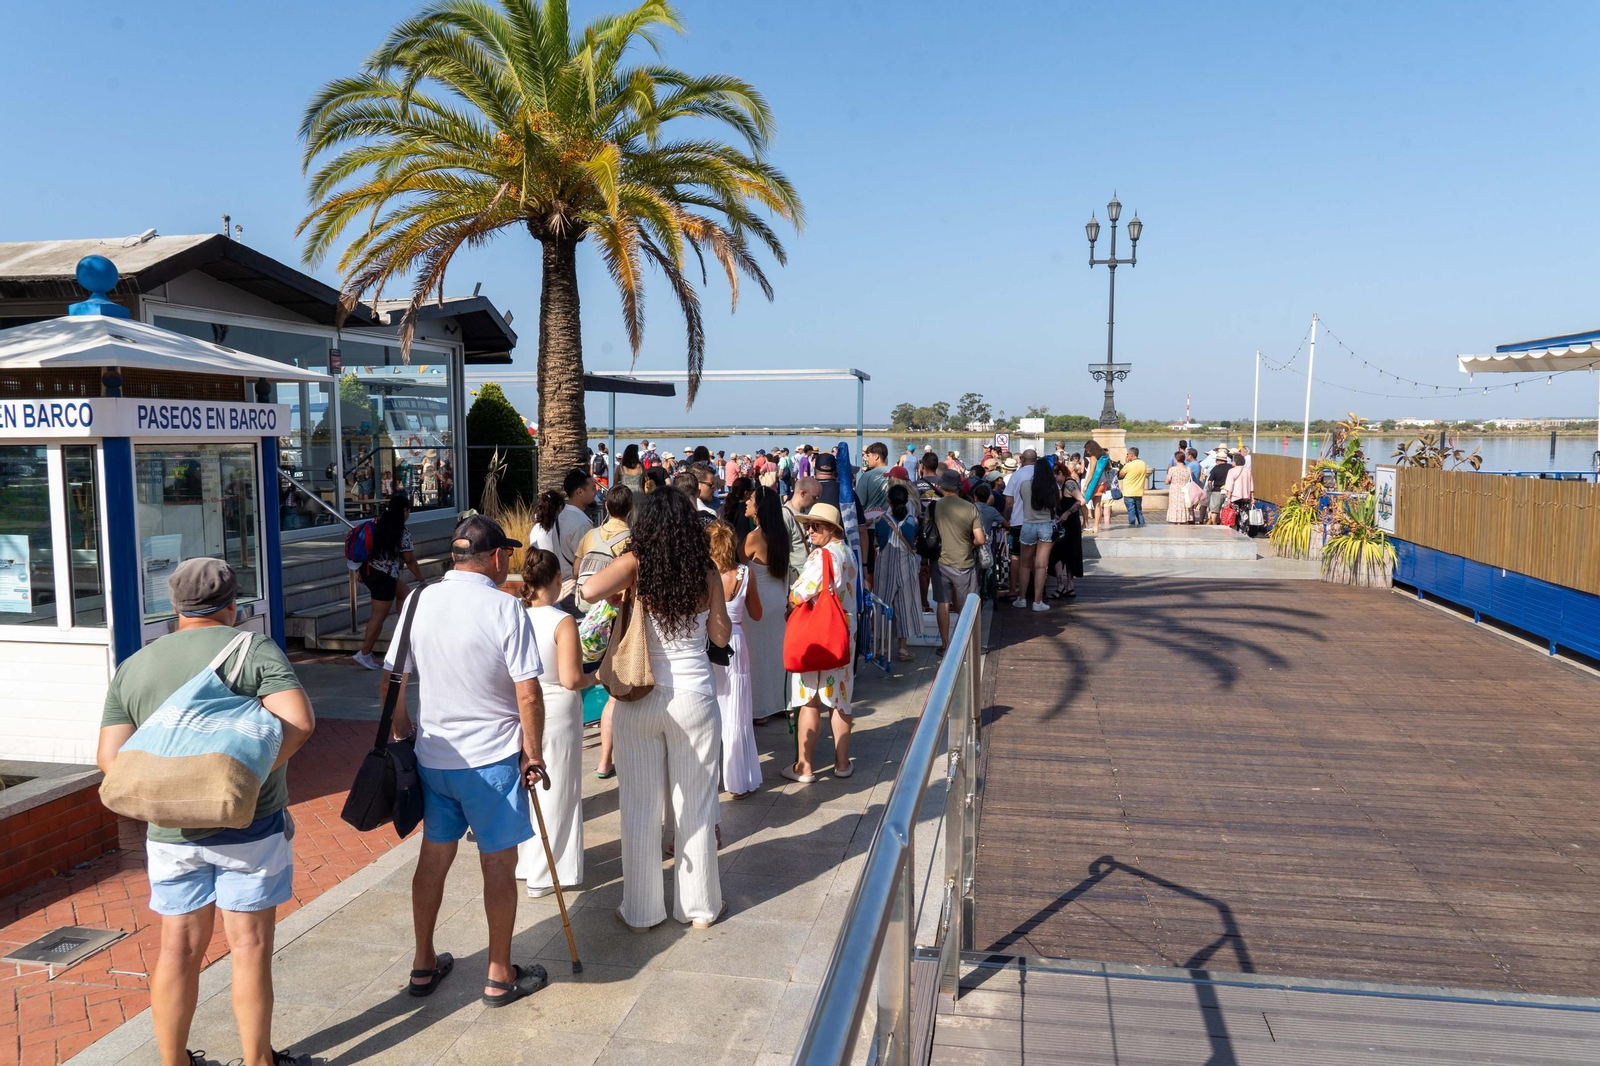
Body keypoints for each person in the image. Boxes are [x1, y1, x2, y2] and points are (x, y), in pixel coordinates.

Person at [99, 560, 316, 1066]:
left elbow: (110, 760)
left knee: (177, 948)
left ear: (174, 608)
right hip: (250, 825)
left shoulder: (136, 665)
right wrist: (243, 779)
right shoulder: (252, 649)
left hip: (170, 833)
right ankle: (258, 1061)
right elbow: (300, 722)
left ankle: (174, 1063)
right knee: (249, 945)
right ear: (233, 604)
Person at [386, 515, 549, 1006]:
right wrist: (534, 754)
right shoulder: (505, 607)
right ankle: (499, 973)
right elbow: (529, 694)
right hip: (493, 758)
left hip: (435, 756)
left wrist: (404, 732)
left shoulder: (418, 599)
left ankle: (422, 963)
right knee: (498, 864)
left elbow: (393, 679)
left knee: (433, 857)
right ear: (497, 557)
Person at [580, 489, 732, 930]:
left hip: (641, 696)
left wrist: (624, 585)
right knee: (697, 805)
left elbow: (589, 590)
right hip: (694, 696)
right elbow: (719, 638)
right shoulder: (705, 571)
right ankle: (700, 907)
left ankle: (643, 909)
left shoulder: (636, 564)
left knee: (641, 807)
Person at [515, 549, 593, 897]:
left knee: (527, 784)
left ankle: (527, 863)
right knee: (557, 788)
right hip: (557, 707)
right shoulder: (562, 622)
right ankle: (547, 873)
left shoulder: (515, 617)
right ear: (558, 580)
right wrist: (600, 677)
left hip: (521, 705)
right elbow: (572, 678)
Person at [782, 504, 859, 783]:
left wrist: (789, 604)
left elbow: (799, 593)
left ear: (833, 530)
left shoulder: (821, 556)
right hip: (842, 633)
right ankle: (842, 763)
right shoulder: (848, 553)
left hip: (817, 637)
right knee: (840, 699)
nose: (810, 530)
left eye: (817, 526)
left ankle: (804, 767)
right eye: (809, 525)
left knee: (809, 700)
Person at [574, 485, 633, 779]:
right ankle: (606, 759)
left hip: (587, 614)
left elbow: (576, 571)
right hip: (612, 616)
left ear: (607, 507)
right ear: (630, 509)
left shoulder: (589, 536)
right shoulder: (631, 540)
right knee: (612, 688)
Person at [709, 522, 763, 797]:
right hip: (736, 641)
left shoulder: (704, 574)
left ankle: (709, 777)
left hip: (709, 644)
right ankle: (738, 780)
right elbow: (757, 613)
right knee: (737, 712)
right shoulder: (746, 574)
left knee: (709, 708)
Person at [352, 491, 427, 670]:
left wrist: (359, 570)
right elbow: (409, 559)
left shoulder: (377, 524)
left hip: (372, 572)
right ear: (404, 511)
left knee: (405, 594)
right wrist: (422, 579)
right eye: (408, 511)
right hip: (384, 577)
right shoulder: (402, 531)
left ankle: (404, 633)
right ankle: (364, 654)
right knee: (378, 617)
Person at [742, 483, 792, 723]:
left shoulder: (753, 537)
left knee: (757, 655)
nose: (747, 502)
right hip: (777, 596)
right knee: (775, 652)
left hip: (758, 599)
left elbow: (739, 565)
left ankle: (760, 709)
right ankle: (782, 703)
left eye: (751, 500)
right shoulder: (780, 534)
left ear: (759, 507)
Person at [930, 466, 986, 648]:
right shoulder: (970, 507)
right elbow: (980, 539)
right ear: (958, 487)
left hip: (940, 561)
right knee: (966, 605)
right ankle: (963, 644)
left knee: (943, 603)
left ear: (942, 486)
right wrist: (970, 544)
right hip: (964, 562)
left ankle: (945, 644)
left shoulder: (935, 506)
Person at [872, 482, 925, 661]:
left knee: (882, 604)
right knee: (906, 605)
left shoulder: (881, 520)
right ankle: (902, 648)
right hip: (906, 565)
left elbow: (878, 541)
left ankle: (880, 647)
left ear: (889, 501)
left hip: (885, 565)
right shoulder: (913, 521)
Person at [530, 468, 598, 586]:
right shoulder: (581, 523)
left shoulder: (562, 516)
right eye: (593, 488)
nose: (596, 492)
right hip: (575, 589)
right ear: (579, 492)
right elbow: (585, 562)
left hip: (562, 585)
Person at [1014, 457, 1058, 612]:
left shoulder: (1025, 485)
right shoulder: (1052, 487)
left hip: (1028, 524)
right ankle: (1038, 601)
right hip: (1046, 525)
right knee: (1041, 566)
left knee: (1024, 565)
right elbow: (1055, 505)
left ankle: (1022, 598)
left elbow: (1022, 499)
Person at [1048, 463, 1084, 598]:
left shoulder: (1069, 483)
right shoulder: (1063, 485)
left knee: (1059, 553)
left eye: (1056, 475)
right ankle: (1068, 586)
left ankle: (1063, 585)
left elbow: (1081, 500)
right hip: (1066, 524)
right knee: (1067, 553)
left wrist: (1067, 513)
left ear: (1061, 473)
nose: (1055, 478)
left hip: (1069, 524)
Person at [1004, 451, 1035, 601]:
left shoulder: (1016, 475)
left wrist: (1005, 519)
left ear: (1022, 459)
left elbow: (1009, 501)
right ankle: (1036, 592)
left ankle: (1013, 590)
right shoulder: (1044, 474)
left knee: (1015, 557)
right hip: (1038, 522)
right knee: (1036, 558)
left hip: (1018, 521)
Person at [1082, 441, 1111, 535]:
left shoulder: (1094, 457)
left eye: (1087, 450)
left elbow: (1091, 473)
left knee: (1082, 502)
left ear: (1091, 448)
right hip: (1103, 483)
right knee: (1097, 505)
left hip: (1095, 484)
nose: (1087, 452)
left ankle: (1085, 523)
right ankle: (1096, 526)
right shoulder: (1104, 456)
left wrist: (1086, 485)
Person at [1117, 448, 1149, 528]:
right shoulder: (1143, 463)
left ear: (1131, 455)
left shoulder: (1128, 465)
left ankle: (1131, 528)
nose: (1126, 456)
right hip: (1139, 492)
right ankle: (1142, 527)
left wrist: (1125, 463)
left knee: (1131, 511)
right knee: (1139, 511)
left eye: (1127, 454)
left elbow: (1120, 475)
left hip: (1129, 492)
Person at [1224, 452, 1255, 531]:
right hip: (1246, 496)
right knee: (1244, 516)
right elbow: (1251, 485)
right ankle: (1244, 532)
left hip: (1235, 497)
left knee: (1234, 516)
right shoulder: (1248, 471)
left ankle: (1235, 532)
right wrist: (1252, 497)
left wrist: (1228, 498)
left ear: (1235, 462)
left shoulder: (1232, 471)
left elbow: (1229, 486)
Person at [1164, 450, 1192, 524]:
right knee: (1183, 505)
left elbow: (1167, 481)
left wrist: (1171, 481)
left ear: (1176, 459)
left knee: (1175, 505)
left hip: (1175, 490)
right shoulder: (1188, 469)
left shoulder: (1173, 469)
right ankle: (1183, 519)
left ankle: (1176, 520)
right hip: (1184, 489)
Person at [1206, 449, 1232, 525]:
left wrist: (1210, 489)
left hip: (1217, 491)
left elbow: (1210, 481)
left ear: (1218, 460)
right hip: (1228, 491)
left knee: (1214, 511)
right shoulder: (1231, 467)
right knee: (1227, 510)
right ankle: (1224, 524)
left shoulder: (1216, 468)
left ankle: (1214, 525)